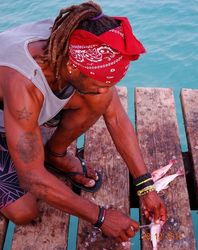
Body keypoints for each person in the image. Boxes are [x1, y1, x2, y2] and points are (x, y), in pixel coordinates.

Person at [0, 1, 167, 242]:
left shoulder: (73, 40)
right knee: (25, 212)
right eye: (99, 82)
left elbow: (116, 117)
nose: (105, 89)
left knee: (101, 100)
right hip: (12, 114)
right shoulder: (23, 84)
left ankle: (53, 155)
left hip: (21, 117)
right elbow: (31, 177)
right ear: (71, 67)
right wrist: (101, 217)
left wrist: (146, 187)